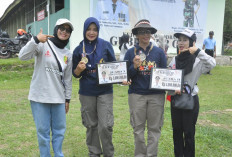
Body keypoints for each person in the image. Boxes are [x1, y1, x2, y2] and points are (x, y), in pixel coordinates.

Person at [18, 18, 74, 157]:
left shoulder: (68, 54)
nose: (64, 32)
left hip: (59, 98)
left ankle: (58, 154)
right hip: (40, 97)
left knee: (59, 131)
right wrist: (36, 39)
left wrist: (67, 99)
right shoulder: (43, 44)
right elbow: (22, 56)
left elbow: (67, 79)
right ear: (56, 29)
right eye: (62, 28)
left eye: (68, 30)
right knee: (43, 132)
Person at [72, 17, 116, 157]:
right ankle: (94, 152)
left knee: (105, 125)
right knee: (91, 125)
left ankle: (109, 153)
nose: (92, 32)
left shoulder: (105, 45)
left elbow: (114, 66)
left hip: (104, 91)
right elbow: (75, 74)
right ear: (85, 30)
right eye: (89, 29)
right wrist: (79, 69)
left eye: (95, 29)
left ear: (98, 30)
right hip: (87, 91)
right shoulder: (79, 49)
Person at [168, 29, 216, 157]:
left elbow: (212, 63)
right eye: (179, 40)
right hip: (176, 99)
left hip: (191, 100)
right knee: (177, 131)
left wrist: (199, 52)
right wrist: (173, 88)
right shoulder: (174, 59)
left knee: (189, 133)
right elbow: (168, 79)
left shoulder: (198, 60)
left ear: (192, 42)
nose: (181, 43)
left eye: (185, 40)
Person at [123, 19, 167, 157]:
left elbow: (165, 74)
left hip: (156, 96)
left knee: (155, 128)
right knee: (138, 128)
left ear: (151, 34)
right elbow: (126, 76)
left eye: (147, 31)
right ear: (136, 34)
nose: (145, 35)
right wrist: (134, 66)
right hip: (137, 95)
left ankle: (151, 155)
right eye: (141, 32)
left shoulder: (159, 53)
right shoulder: (131, 53)